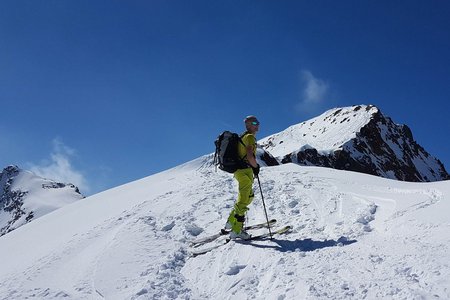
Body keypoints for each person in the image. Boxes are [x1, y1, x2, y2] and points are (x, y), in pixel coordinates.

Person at [225, 115, 261, 239]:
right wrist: (255, 166)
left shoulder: (243, 136)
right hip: (245, 170)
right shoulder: (249, 137)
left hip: (240, 171)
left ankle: (231, 221)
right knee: (244, 199)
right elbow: (250, 155)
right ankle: (236, 230)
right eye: (255, 122)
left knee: (248, 196)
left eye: (258, 122)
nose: (258, 124)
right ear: (249, 125)